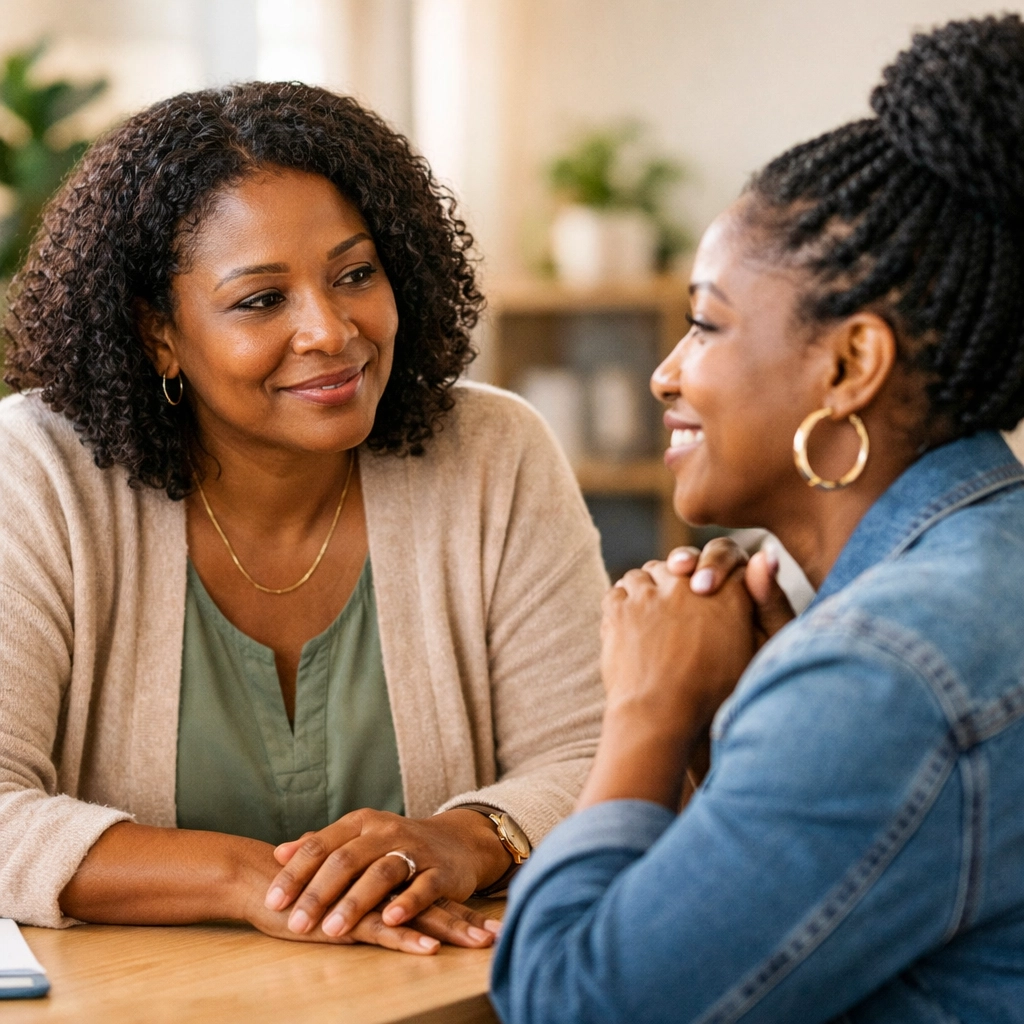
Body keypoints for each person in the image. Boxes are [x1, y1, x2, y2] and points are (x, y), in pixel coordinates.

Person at [492, 14, 1024, 1022]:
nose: (664, 372)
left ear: (848, 366)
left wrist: (647, 709)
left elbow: (572, 1005)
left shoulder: (886, 669)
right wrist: (754, 718)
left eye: (704, 323)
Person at [0, 82, 609, 954]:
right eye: (260, 300)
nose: (331, 331)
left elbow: (600, 753)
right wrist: (250, 878)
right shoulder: (36, 472)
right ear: (158, 333)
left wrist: (471, 837)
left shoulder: (492, 452)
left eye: (355, 275)